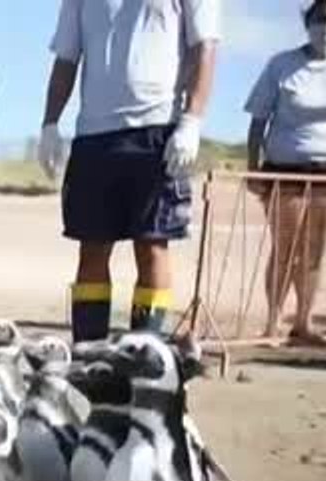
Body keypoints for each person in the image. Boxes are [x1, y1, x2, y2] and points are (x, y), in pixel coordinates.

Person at [38, 0, 221, 342]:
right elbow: (66, 56)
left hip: (157, 129)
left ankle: (143, 354)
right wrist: (50, 123)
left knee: (151, 246)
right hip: (94, 135)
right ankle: (88, 353)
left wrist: (192, 119)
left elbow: (205, 46)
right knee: (91, 248)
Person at [245, 0, 326, 347]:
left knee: (315, 250)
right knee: (285, 247)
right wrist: (252, 168)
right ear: (308, 22)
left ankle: (303, 322)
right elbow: (258, 119)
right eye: (321, 18)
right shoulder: (282, 65)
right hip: (285, 169)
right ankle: (272, 322)